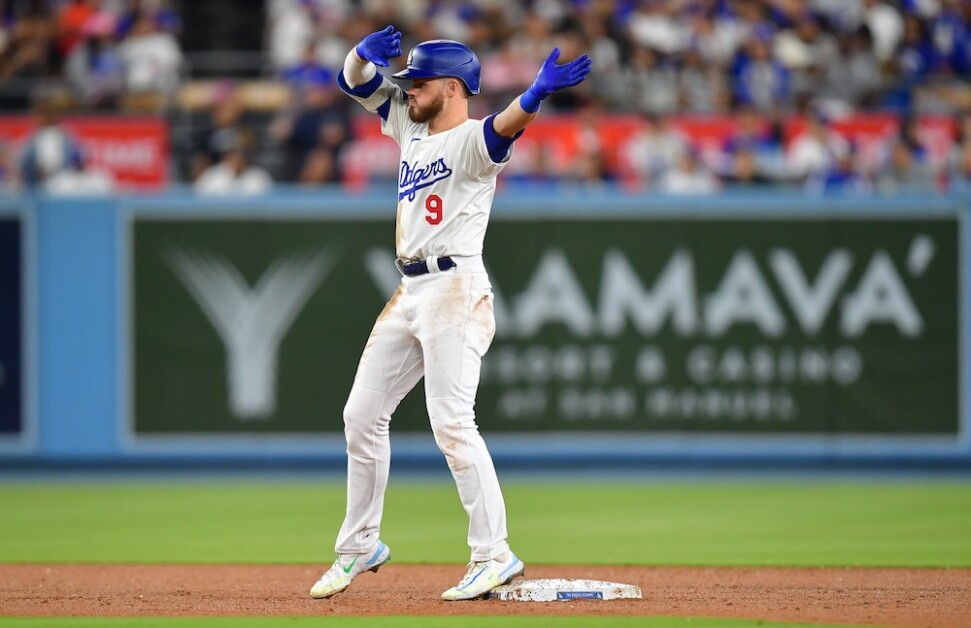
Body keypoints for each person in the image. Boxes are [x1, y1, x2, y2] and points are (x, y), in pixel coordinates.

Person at [309, 25, 590, 602]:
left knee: (452, 422)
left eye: (420, 82)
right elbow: (350, 81)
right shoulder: (410, 126)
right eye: (408, 81)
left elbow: (504, 126)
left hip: (456, 289)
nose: (408, 89)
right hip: (409, 290)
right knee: (360, 415)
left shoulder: (471, 142)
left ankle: (493, 553)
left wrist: (535, 94)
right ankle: (359, 543)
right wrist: (362, 54)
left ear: (455, 88)